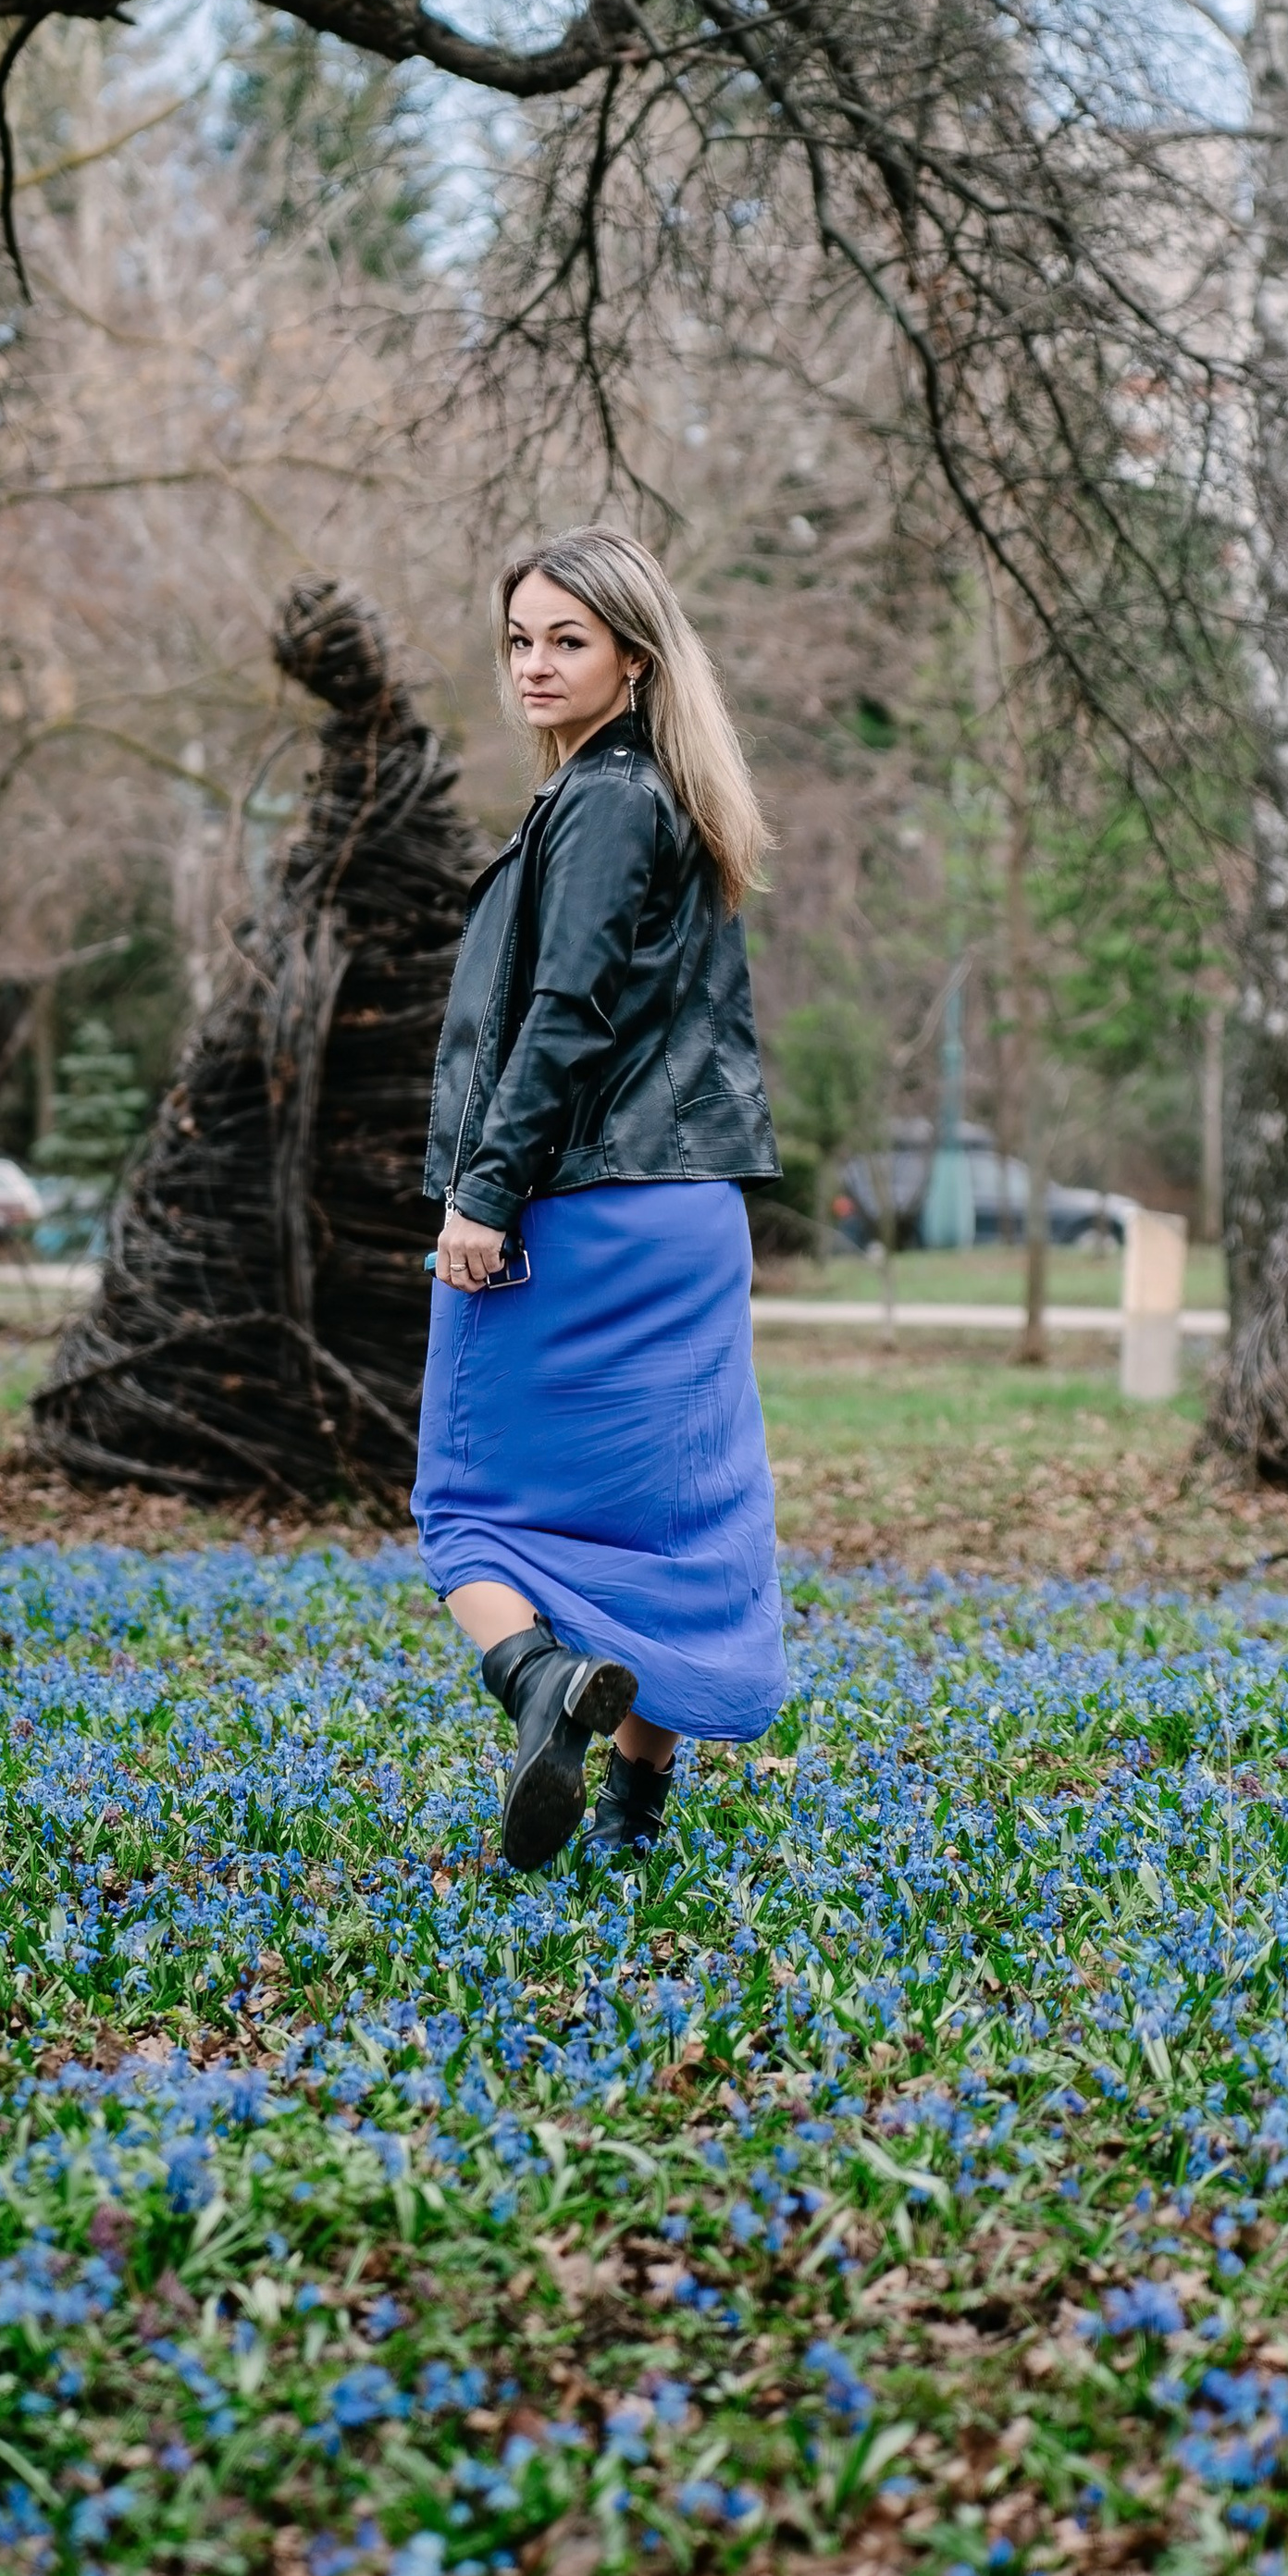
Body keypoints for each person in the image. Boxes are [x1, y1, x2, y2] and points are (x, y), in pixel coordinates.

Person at [414, 527, 787, 1870]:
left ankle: (538, 1683)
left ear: (633, 657)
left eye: (567, 640)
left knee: (461, 1510)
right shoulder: (678, 799)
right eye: (519, 639)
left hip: (572, 1207)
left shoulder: (604, 801)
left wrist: (483, 1195)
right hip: (691, 1218)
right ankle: (631, 1819)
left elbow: (563, 1018)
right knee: (673, 1518)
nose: (534, 664)